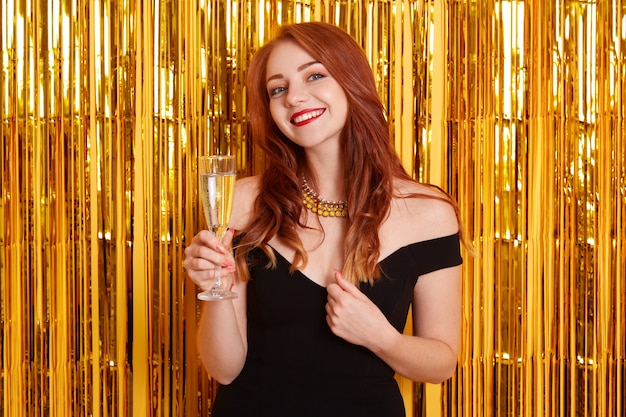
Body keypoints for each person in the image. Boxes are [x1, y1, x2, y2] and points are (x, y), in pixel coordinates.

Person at [183, 21, 464, 417]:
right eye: (277, 88)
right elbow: (224, 369)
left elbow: (442, 364)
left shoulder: (430, 212)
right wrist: (215, 286)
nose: (294, 97)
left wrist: (381, 337)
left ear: (352, 81)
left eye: (314, 75)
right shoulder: (242, 200)